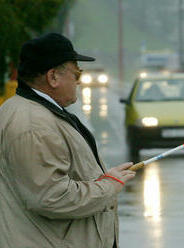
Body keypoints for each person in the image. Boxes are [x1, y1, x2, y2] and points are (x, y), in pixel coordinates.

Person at [0, 33, 136, 248]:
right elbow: (51, 196)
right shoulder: (34, 125)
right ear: (53, 77)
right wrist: (108, 187)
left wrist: (104, 178)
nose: (79, 81)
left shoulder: (33, 112)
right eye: (76, 73)